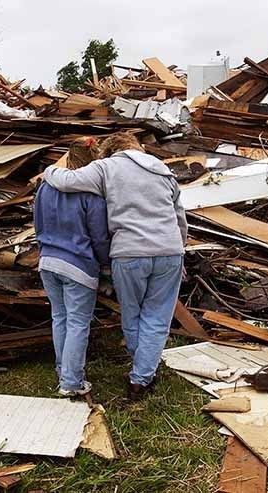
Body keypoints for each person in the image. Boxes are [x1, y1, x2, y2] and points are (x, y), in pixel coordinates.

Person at [43, 133, 187, 401]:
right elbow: (180, 217)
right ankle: (141, 377)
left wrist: (49, 169)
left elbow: (66, 181)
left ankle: (142, 368)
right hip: (169, 251)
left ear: (109, 151)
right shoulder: (163, 170)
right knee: (158, 316)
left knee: (132, 315)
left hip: (128, 253)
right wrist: (181, 251)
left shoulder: (106, 167)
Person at [34, 146, 110, 397]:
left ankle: (62, 368)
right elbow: (99, 237)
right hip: (79, 265)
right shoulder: (92, 195)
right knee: (78, 322)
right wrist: (104, 263)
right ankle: (71, 382)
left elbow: (37, 224)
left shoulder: (45, 188)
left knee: (60, 317)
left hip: (48, 261)